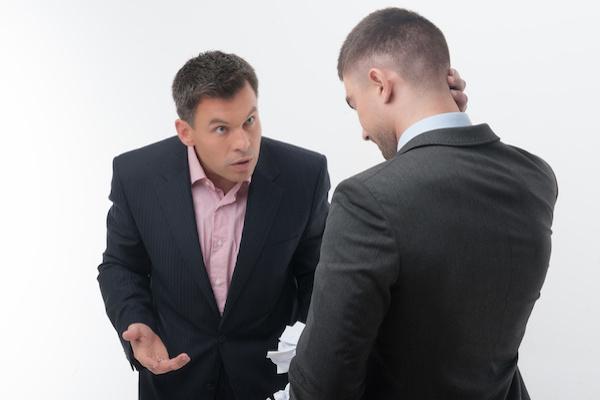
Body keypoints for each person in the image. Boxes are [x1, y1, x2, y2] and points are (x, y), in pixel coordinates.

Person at [289, 8, 558, 400]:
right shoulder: (535, 178)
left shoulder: (365, 200)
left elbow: (324, 384)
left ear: (380, 83)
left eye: (354, 103)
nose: (363, 130)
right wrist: (444, 125)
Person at [97, 51, 330, 400]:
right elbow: (120, 265)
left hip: (270, 383)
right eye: (222, 128)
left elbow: (319, 273)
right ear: (185, 131)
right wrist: (136, 321)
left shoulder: (304, 175)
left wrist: (307, 348)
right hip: (175, 378)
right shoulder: (137, 176)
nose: (244, 143)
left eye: (250, 120)